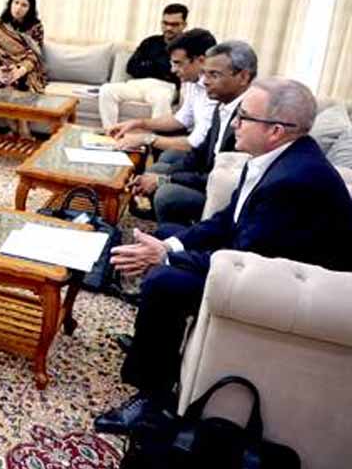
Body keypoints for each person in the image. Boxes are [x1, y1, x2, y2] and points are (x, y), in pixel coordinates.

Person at [95, 77, 352, 435]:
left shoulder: (295, 181)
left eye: (244, 117)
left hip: (297, 290)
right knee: (168, 235)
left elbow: (246, 258)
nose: (235, 124)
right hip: (261, 257)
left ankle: (153, 401)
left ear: (276, 130)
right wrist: (170, 247)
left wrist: (165, 260)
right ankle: (152, 345)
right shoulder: (271, 158)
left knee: (164, 282)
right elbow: (225, 221)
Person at [128, 40, 255, 225]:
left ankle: (181, 238)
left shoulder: (250, 118)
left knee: (167, 193)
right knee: (158, 169)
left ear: (243, 77)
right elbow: (199, 154)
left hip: (225, 196)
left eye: (214, 75)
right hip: (209, 178)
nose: (205, 81)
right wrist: (162, 175)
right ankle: (170, 230)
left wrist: (165, 180)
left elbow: (222, 179)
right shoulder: (223, 105)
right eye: (205, 73)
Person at [109, 28, 218, 177]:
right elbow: (181, 119)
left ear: (201, 60)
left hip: (211, 162)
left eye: (178, 63)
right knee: (163, 158)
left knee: (155, 173)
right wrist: (138, 123)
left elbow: (195, 143)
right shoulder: (193, 82)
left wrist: (146, 139)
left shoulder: (214, 91)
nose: (173, 70)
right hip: (199, 152)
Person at [97, 4, 189, 130]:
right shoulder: (150, 42)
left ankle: (155, 139)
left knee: (161, 98)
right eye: (165, 23)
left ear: (184, 25)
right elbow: (131, 67)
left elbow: (177, 73)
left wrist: (149, 64)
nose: (168, 28)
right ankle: (110, 131)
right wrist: (160, 67)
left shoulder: (186, 46)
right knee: (106, 89)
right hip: (139, 85)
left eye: (174, 24)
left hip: (165, 87)